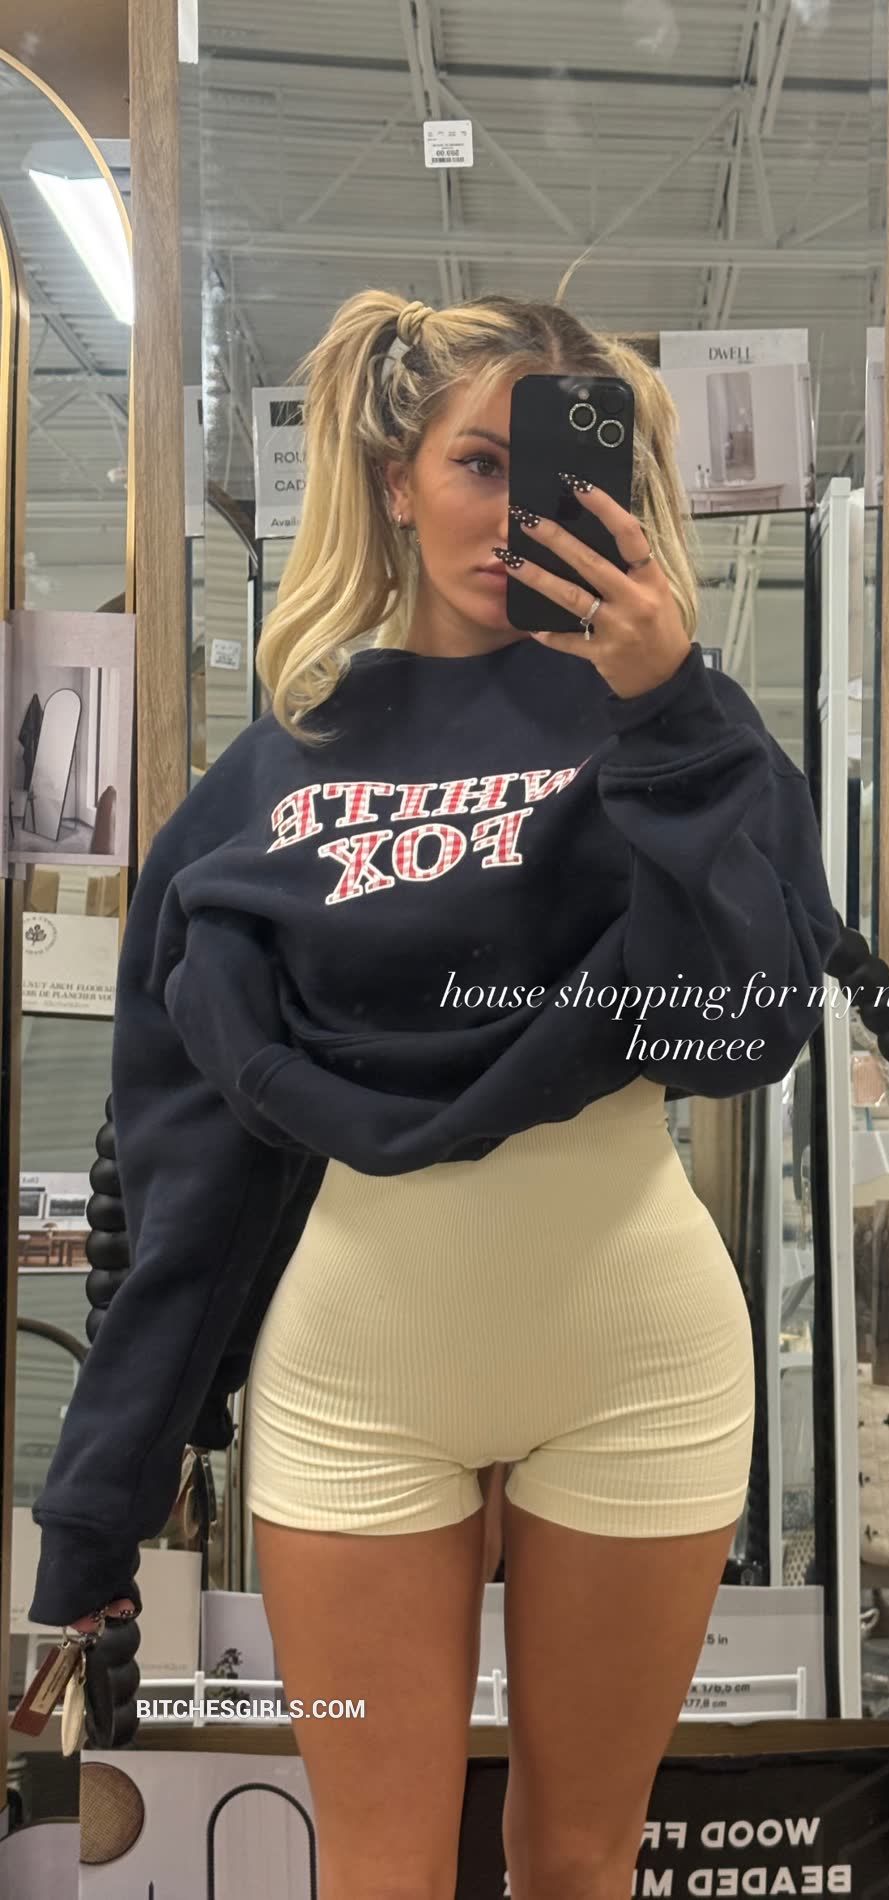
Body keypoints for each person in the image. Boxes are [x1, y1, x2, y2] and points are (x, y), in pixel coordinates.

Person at [31, 290, 842, 1900]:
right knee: (377, 1873)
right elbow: (188, 1166)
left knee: (579, 1864)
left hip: (637, 1356)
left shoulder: (686, 731)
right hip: (359, 1370)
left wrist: (668, 712)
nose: (521, 511)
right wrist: (98, 1499)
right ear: (393, 477)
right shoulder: (269, 777)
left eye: (569, 473)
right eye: (480, 464)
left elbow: (741, 1030)